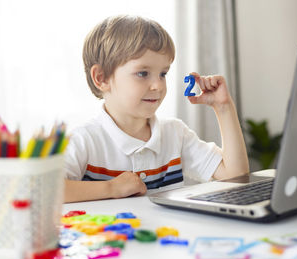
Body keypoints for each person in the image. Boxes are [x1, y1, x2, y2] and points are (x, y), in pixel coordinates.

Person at [64, 15, 249, 202]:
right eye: (143, 73)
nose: (158, 86)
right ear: (101, 78)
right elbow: (43, 192)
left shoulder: (176, 134)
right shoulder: (83, 140)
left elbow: (235, 176)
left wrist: (223, 107)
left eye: (163, 74)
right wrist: (110, 188)